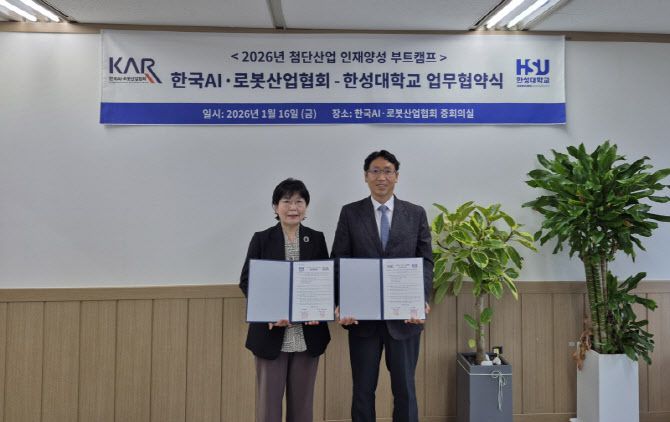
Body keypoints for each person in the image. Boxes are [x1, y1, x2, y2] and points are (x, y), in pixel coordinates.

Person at [331, 150, 433, 422]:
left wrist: (421, 299)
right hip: (362, 319)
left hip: (405, 319)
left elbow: (425, 261)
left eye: (387, 171)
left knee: (405, 390)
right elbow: (339, 259)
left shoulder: (415, 213)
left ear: (396, 176)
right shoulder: (350, 213)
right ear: (365, 176)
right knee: (363, 391)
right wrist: (342, 301)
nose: (381, 177)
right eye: (375, 171)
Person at [239, 178, 330, 422]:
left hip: (307, 333)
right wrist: (267, 312)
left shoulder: (316, 238)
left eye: (299, 202)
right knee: (269, 407)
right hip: (270, 333)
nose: (293, 207)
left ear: (306, 207)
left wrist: (318, 310)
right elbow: (247, 281)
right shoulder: (262, 239)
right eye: (286, 201)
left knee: (302, 407)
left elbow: (324, 281)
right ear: (275, 206)